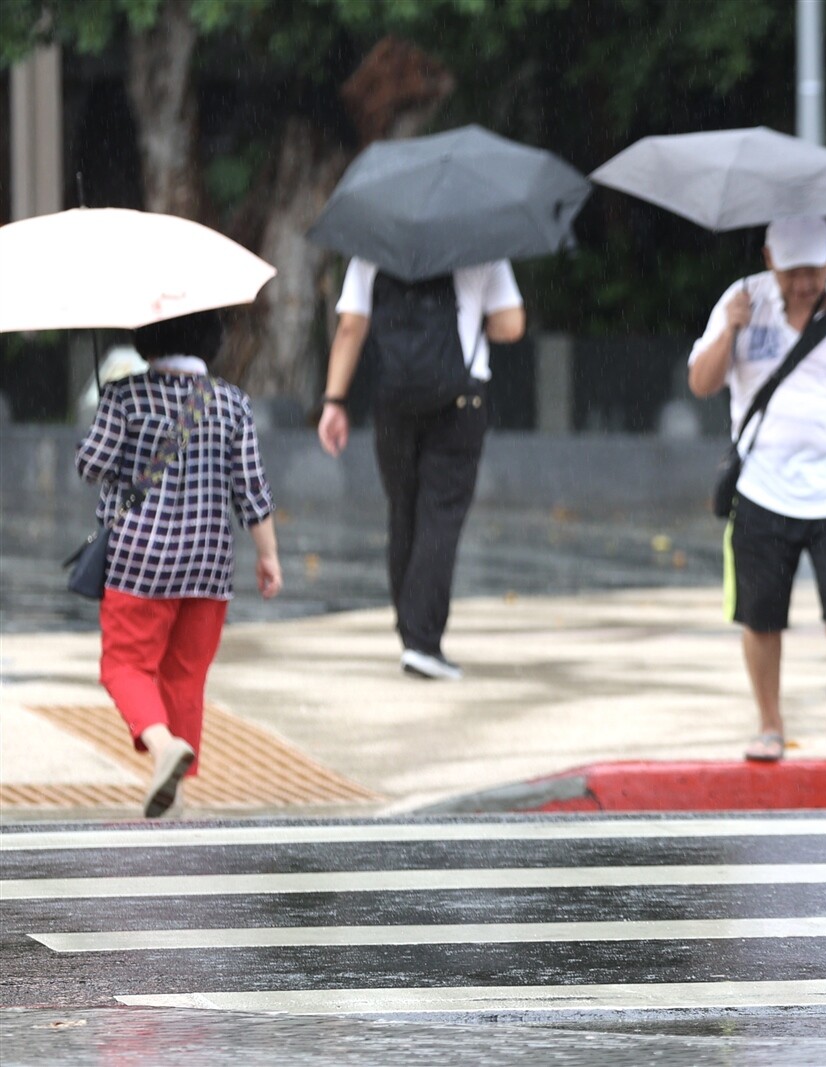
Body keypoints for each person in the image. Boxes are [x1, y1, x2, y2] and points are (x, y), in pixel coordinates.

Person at [688, 216, 826, 762]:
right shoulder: (741, 301)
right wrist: (729, 330)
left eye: (814, 269)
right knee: (759, 613)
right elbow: (702, 382)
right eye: (793, 272)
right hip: (763, 487)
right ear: (770, 261)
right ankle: (769, 723)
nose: (805, 282)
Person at [75, 309, 282, 818]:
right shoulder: (232, 402)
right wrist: (268, 556)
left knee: (125, 666)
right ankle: (177, 795)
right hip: (208, 567)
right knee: (186, 677)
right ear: (209, 340)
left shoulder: (124, 397)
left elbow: (91, 466)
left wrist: (105, 420)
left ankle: (164, 746)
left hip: (138, 564)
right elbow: (251, 490)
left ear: (145, 337)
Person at [317, 258, 525, 680]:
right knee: (441, 515)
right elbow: (512, 325)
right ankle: (422, 640)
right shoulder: (483, 247)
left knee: (404, 510)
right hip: (461, 400)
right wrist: (473, 323)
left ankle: (411, 630)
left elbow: (350, 329)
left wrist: (334, 402)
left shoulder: (372, 249)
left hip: (394, 401)